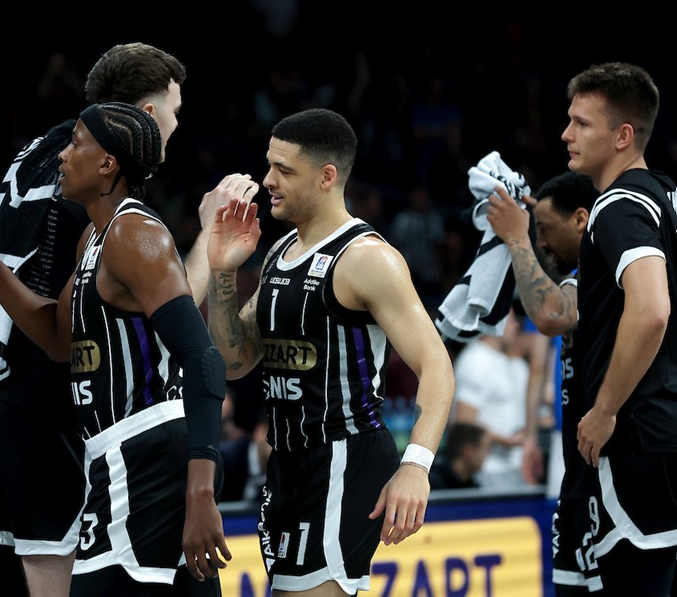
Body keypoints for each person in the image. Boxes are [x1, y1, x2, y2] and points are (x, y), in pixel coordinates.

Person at [0, 43, 254, 596]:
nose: (65, 154)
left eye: (78, 144)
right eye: (176, 111)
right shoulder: (95, 233)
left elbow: (200, 354)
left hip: (144, 449)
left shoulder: (130, 229)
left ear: (108, 162)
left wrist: (202, 487)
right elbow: (55, 337)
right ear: (150, 115)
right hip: (84, 439)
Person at [206, 107, 455, 595]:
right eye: (269, 165)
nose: (268, 180)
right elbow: (235, 360)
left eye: (284, 170)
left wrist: (416, 466)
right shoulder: (280, 253)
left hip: (344, 457)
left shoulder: (368, 258)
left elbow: (436, 367)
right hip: (286, 463)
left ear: (326, 176)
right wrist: (221, 272)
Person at [567, 62, 677, 595]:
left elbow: (651, 311)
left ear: (623, 136)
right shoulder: (676, 202)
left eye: (581, 123)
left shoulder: (617, 204)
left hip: (642, 432)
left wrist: (604, 410)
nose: (566, 134)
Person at [486, 169, 600, 594]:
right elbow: (540, 363)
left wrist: (518, 237)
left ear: (581, 219)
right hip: (571, 446)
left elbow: (551, 316)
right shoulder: (568, 282)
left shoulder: (600, 274)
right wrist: (534, 434)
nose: (542, 242)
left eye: (546, 230)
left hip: (604, 456)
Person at [452, 310, 530, 493]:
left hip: (512, 466)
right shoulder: (476, 360)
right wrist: (508, 441)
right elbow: (464, 424)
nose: (516, 326)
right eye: (510, 320)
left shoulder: (500, 360)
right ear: (495, 321)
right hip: (489, 469)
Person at [428, 421, 488, 491]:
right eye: (485, 448)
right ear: (469, 452)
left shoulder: (473, 487)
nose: (487, 454)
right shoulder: (431, 483)